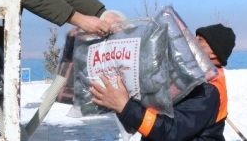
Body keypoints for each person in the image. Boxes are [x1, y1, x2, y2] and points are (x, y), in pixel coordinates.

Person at [91, 23, 236, 141]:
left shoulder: (208, 90)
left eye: (200, 41)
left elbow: (171, 131)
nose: (191, 41)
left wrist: (125, 107)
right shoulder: (190, 76)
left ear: (214, 53)